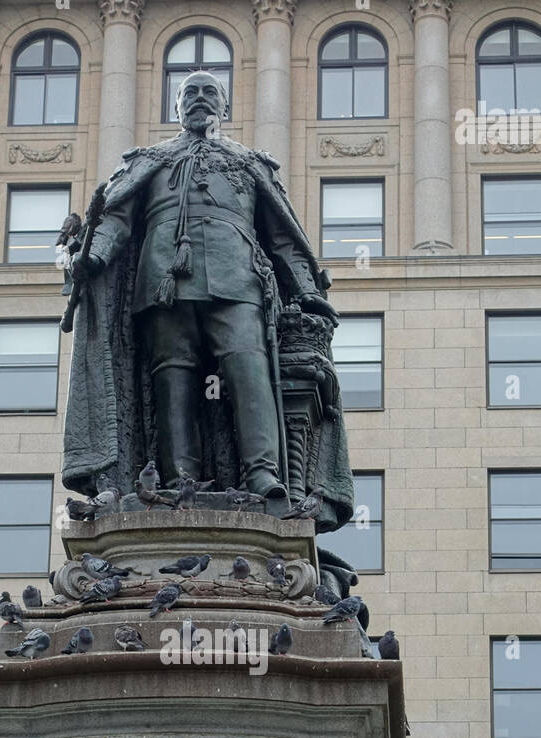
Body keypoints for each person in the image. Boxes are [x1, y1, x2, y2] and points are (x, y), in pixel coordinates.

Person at [63, 70, 354, 532]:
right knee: (172, 377)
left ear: (224, 106)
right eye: (190, 93)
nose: (199, 99)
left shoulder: (250, 164)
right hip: (163, 284)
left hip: (238, 280)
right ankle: (180, 480)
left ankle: (263, 476)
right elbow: (115, 219)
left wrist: (308, 293)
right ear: (176, 107)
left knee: (249, 371)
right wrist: (93, 258)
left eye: (209, 92)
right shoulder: (149, 161)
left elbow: (283, 238)